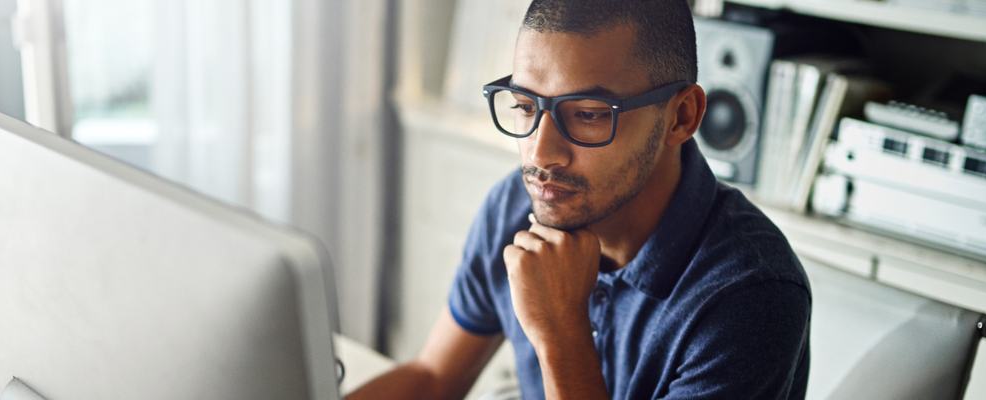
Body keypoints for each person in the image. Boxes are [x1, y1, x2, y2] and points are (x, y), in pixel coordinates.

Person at [348, 0, 811, 399]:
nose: (541, 153)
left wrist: (560, 333)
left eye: (588, 115)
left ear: (681, 117)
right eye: (526, 107)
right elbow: (433, 378)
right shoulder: (515, 203)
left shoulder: (752, 295)